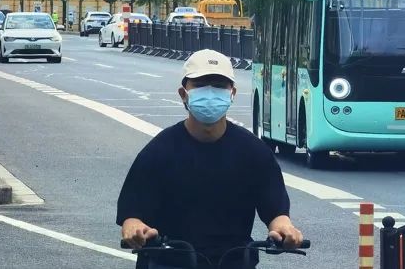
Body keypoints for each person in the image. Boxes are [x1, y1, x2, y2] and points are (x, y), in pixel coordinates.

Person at [117, 50, 303, 268]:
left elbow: (277, 212)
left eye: (219, 85)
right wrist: (135, 229)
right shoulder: (159, 151)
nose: (210, 92)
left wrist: (285, 229)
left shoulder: (254, 152)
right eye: (200, 85)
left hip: (235, 262)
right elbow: (132, 215)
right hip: (171, 262)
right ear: (183, 94)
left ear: (232, 93)